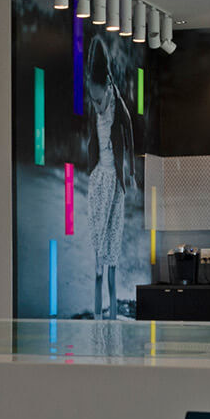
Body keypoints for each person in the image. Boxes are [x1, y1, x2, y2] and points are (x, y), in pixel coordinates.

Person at [82, 34, 137, 320]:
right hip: (98, 177)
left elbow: (128, 135)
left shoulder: (118, 106)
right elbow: (91, 140)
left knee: (113, 231)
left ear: (107, 88)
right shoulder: (95, 107)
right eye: (92, 99)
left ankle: (112, 310)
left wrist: (132, 172)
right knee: (97, 233)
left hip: (114, 179)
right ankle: (97, 306)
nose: (96, 104)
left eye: (99, 98)